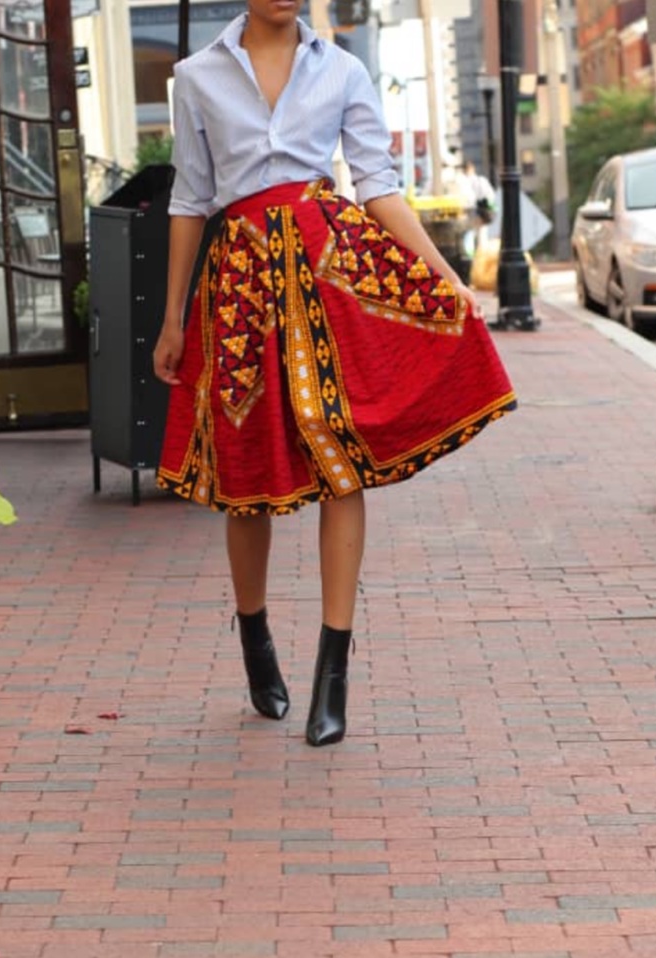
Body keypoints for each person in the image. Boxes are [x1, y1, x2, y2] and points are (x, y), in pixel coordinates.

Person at [153, 0, 516, 747]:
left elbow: (377, 184)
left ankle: (333, 673)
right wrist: (172, 317)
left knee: (342, 464)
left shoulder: (344, 68)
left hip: (329, 276)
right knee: (246, 477)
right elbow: (190, 200)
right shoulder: (195, 77)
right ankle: (255, 638)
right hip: (241, 283)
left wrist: (445, 277)